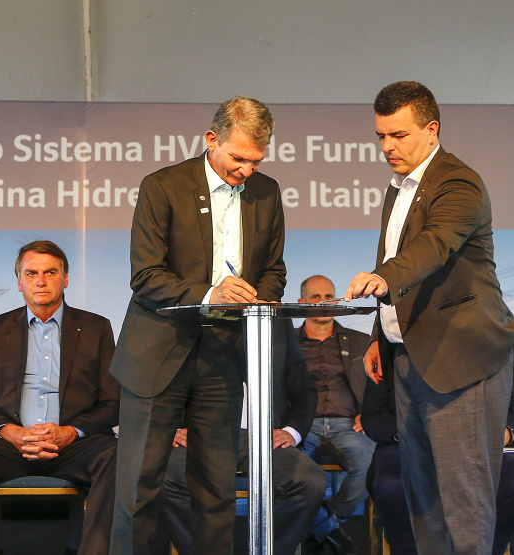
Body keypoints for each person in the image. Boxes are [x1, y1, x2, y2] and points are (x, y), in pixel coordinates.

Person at [344, 81, 514, 553]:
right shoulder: (398, 188)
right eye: (380, 136)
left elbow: (432, 247)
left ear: (432, 129)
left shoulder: (458, 182)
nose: (386, 147)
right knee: (423, 502)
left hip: (462, 358)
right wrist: (379, 339)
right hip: (410, 359)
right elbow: (397, 270)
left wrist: (383, 276)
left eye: (398, 135)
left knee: (464, 503)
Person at [109, 96, 287, 554]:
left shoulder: (267, 193)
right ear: (212, 140)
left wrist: (257, 296)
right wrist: (212, 293)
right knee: (139, 489)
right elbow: (146, 275)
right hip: (157, 353)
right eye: (238, 158)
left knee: (217, 492)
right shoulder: (162, 186)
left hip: (223, 356)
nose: (247, 171)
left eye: (256, 160)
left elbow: (274, 271)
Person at [0, 240, 118, 555]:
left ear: (65, 279)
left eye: (51, 272)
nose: (41, 281)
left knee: (116, 454)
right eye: (32, 273)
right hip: (12, 444)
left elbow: (113, 403)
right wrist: (14, 434)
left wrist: (69, 432)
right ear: (19, 282)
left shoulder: (96, 327)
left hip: (74, 445)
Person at [155, 321, 325, 555]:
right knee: (164, 477)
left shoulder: (277, 323)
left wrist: (292, 432)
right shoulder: (190, 316)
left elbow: (304, 390)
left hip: (264, 437)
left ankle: (269, 551)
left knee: (309, 480)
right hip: (198, 434)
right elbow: (160, 380)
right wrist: (172, 428)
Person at [362, 377, 514, 555]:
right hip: (407, 441)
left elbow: (512, 408)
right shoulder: (388, 350)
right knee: (392, 485)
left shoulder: (488, 349)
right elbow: (373, 414)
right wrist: (411, 434)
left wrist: (506, 433)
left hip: (476, 441)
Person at [297, 275, 374, 555]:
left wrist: (369, 415)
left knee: (371, 464)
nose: (323, 302)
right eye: (316, 297)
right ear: (303, 302)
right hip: (302, 426)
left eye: (328, 296)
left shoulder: (360, 341)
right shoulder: (286, 343)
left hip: (348, 426)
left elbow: (381, 384)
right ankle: (329, 531)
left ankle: (325, 525)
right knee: (286, 471)